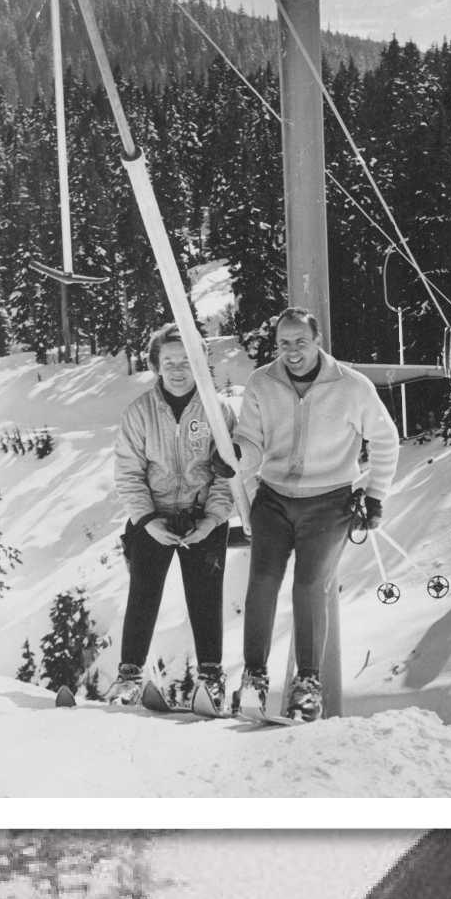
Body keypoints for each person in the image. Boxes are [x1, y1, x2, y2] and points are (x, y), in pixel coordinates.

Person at [227, 308, 399, 720]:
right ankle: (253, 678)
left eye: (300, 342)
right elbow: (250, 441)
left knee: (309, 585)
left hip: (328, 501)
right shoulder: (262, 383)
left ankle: (307, 685)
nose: (292, 352)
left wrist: (374, 496)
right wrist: (236, 457)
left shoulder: (350, 386)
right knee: (263, 580)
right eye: (284, 343)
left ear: (317, 341)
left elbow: (386, 439)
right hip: (273, 497)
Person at [107, 325, 234, 711]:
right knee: (143, 593)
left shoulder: (217, 410)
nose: (177, 370)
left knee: (206, 597)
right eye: (169, 362)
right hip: (154, 516)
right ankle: (128, 680)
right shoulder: (140, 412)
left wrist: (212, 519)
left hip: (202, 517)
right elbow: (127, 472)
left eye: (185, 361)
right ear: (156, 366)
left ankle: (211, 681)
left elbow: (229, 472)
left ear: (199, 363)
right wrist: (147, 520)